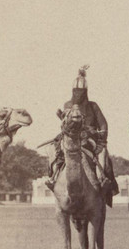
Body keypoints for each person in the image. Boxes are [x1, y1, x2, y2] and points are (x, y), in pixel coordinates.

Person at [46, 66, 115, 194]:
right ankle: (53, 177)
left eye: (81, 91)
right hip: (71, 137)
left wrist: (102, 139)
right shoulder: (67, 104)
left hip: (89, 139)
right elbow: (66, 122)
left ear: (86, 91)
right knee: (53, 150)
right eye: (76, 91)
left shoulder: (93, 106)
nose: (78, 94)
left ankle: (102, 179)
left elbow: (103, 124)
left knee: (102, 154)